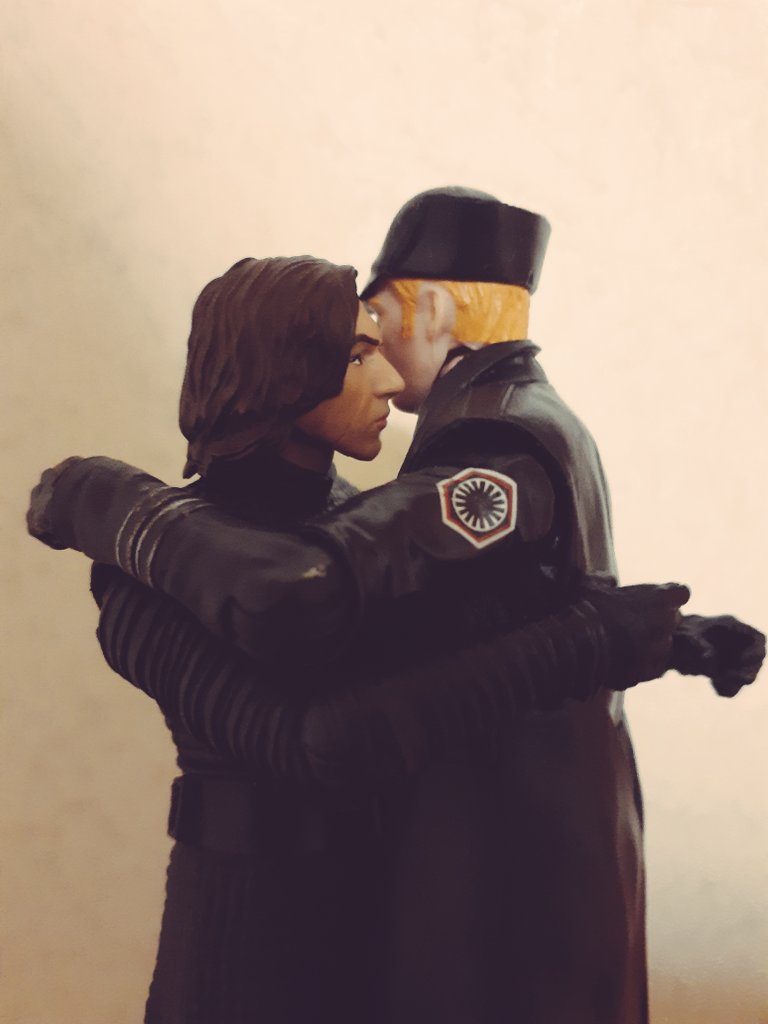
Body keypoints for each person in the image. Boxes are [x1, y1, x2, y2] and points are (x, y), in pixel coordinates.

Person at [27, 195, 763, 1023]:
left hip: (379, 926)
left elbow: (474, 623)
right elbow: (319, 742)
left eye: (380, 344)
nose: (387, 378)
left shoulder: (350, 520)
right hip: (246, 943)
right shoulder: (147, 579)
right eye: (356, 354)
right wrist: (112, 503)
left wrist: (664, 635)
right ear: (282, 370)